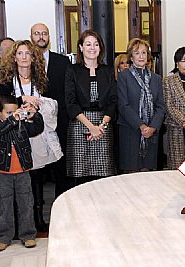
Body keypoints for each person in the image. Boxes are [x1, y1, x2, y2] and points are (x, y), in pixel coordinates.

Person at [0, 40, 62, 232]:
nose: (24, 57)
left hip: (37, 132)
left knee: (37, 178)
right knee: (19, 178)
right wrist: (22, 100)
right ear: (14, 57)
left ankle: (38, 218)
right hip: (14, 135)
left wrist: (38, 104)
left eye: (28, 54)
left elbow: (54, 103)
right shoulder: (6, 80)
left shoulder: (41, 80)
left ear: (34, 58)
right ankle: (19, 221)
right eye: (20, 53)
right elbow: (0, 103)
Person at [0, 95, 43, 251]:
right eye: (8, 113)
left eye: (14, 112)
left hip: (23, 170)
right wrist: (11, 121)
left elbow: (37, 129)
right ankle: (4, 236)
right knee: (4, 204)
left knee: (26, 203)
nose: (13, 115)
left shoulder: (22, 123)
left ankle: (28, 235)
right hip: (2, 171)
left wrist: (34, 116)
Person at [65, 30, 117, 183]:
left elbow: (113, 100)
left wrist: (101, 125)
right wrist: (90, 127)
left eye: (96, 44)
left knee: (103, 176)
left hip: (103, 126)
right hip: (80, 124)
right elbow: (70, 102)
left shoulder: (107, 70)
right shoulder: (72, 70)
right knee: (81, 175)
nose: (92, 48)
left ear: (100, 48)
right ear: (81, 47)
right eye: (88, 44)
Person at [30, 23, 72, 197]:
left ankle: (62, 203)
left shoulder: (61, 61)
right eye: (37, 34)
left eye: (44, 33)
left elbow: (68, 91)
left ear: (49, 37)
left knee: (61, 166)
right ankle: (36, 210)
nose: (41, 37)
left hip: (58, 121)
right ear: (31, 36)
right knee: (36, 169)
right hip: (32, 123)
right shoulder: (25, 59)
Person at [117, 38, 166, 172]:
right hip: (130, 131)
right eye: (137, 53)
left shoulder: (156, 79)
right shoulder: (124, 76)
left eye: (144, 53)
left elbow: (161, 106)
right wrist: (142, 126)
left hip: (151, 132)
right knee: (131, 174)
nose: (141, 56)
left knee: (147, 173)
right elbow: (123, 105)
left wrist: (153, 127)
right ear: (131, 57)